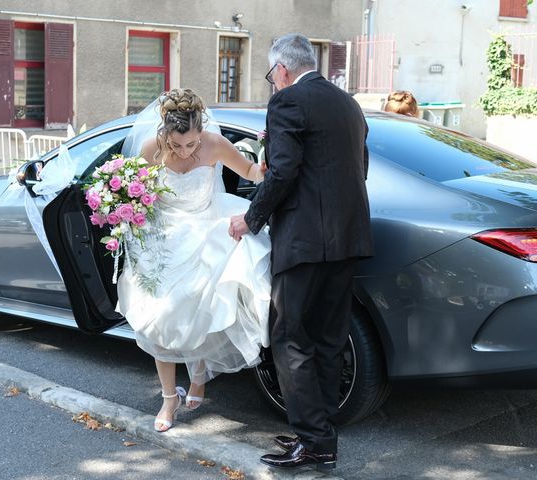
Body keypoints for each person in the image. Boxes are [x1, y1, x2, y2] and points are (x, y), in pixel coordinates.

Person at [229, 34, 373, 471]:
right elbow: (357, 166)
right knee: (328, 337)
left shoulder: (288, 101)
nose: (273, 82)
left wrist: (250, 218)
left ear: (283, 70)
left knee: (289, 338)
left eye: (271, 74)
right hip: (348, 238)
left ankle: (314, 443)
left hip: (306, 241)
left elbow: (285, 170)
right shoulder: (348, 103)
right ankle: (320, 431)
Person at [117, 88, 272, 433]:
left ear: (200, 131)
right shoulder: (150, 150)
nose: (184, 151)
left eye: (191, 144)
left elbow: (249, 171)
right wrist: (116, 206)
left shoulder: (214, 144)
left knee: (199, 311)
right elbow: (130, 190)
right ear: (164, 134)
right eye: (176, 145)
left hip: (205, 233)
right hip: (162, 241)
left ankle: (199, 376)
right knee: (160, 320)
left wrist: (267, 165)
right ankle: (169, 396)